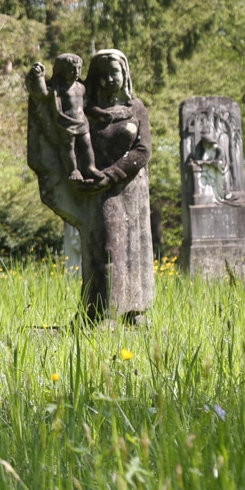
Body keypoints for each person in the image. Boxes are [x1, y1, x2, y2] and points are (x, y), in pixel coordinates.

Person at [74, 49, 154, 323]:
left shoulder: (137, 108)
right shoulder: (84, 111)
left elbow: (143, 150)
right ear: (94, 79)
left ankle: (136, 311)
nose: (110, 79)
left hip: (132, 188)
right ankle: (102, 312)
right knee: (106, 247)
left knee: (137, 247)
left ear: (125, 74)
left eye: (115, 73)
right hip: (99, 190)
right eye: (103, 74)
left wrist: (112, 174)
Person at [26, 54, 100, 182]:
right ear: (61, 70)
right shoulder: (58, 87)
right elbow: (42, 94)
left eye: (78, 69)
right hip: (66, 123)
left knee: (87, 145)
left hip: (82, 123)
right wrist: (39, 77)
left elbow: (87, 105)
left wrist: (100, 113)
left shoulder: (80, 87)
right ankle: (73, 170)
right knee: (68, 148)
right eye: (72, 69)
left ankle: (90, 167)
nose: (76, 72)